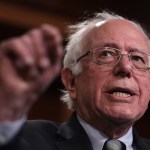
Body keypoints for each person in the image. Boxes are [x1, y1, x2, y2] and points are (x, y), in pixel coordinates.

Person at [0, 11, 150, 150]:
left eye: (137, 58)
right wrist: (8, 110)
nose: (125, 67)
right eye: (106, 54)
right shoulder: (26, 139)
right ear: (71, 81)